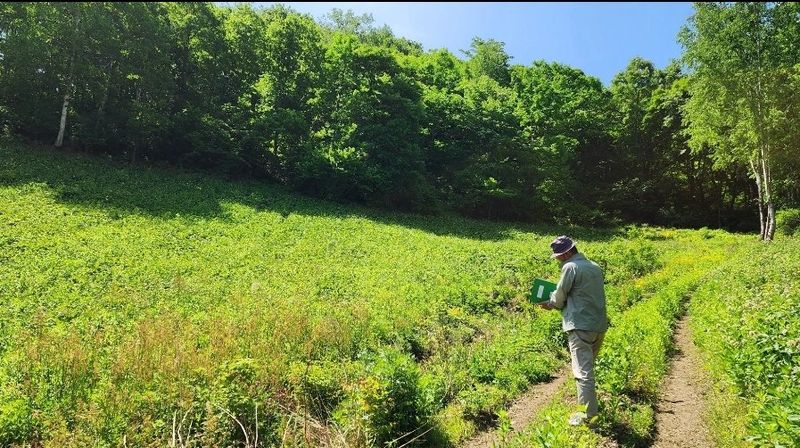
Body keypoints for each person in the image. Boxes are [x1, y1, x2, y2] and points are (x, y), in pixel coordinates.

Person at [538, 235, 608, 426]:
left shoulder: (570, 267)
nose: (558, 259)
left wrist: (550, 303)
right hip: (598, 325)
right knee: (588, 369)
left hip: (580, 326)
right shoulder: (594, 266)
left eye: (559, 255)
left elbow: (560, 296)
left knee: (582, 372)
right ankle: (590, 408)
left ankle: (588, 417)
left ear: (568, 252)